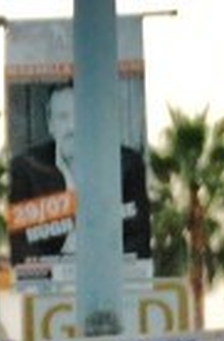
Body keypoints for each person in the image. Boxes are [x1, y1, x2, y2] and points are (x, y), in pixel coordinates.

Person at [8, 82, 149, 266]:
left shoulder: (127, 164)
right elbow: (19, 241)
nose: (72, 127)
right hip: (50, 280)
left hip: (107, 271)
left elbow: (139, 236)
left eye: (80, 115)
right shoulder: (25, 168)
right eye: (63, 117)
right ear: (51, 125)